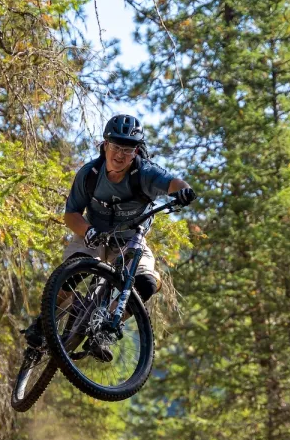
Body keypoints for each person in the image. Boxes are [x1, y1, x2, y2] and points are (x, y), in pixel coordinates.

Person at [22, 114, 196, 361]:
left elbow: (173, 183)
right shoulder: (90, 174)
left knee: (147, 283)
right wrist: (87, 231)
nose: (120, 155)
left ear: (136, 151)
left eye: (128, 149)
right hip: (92, 235)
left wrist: (184, 191)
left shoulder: (145, 173)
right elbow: (71, 214)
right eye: (115, 147)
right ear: (105, 145)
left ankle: (104, 328)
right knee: (73, 273)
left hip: (129, 241)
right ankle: (42, 325)